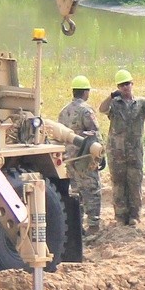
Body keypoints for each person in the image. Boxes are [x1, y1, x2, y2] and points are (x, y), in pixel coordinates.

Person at [99, 68, 145, 228]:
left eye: (127, 84)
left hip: (134, 151)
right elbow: (102, 109)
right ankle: (120, 217)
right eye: (122, 85)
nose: (125, 87)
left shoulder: (141, 104)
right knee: (119, 184)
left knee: (135, 183)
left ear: (132, 84)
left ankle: (135, 216)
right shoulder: (114, 104)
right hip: (117, 152)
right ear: (118, 87)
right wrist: (110, 96)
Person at [58, 74, 105, 236]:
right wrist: (101, 154)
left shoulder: (63, 111)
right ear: (86, 92)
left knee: (76, 191)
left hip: (69, 159)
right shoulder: (86, 110)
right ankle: (93, 225)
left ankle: (77, 226)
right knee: (92, 190)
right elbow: (95, 134)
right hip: (85, 157)